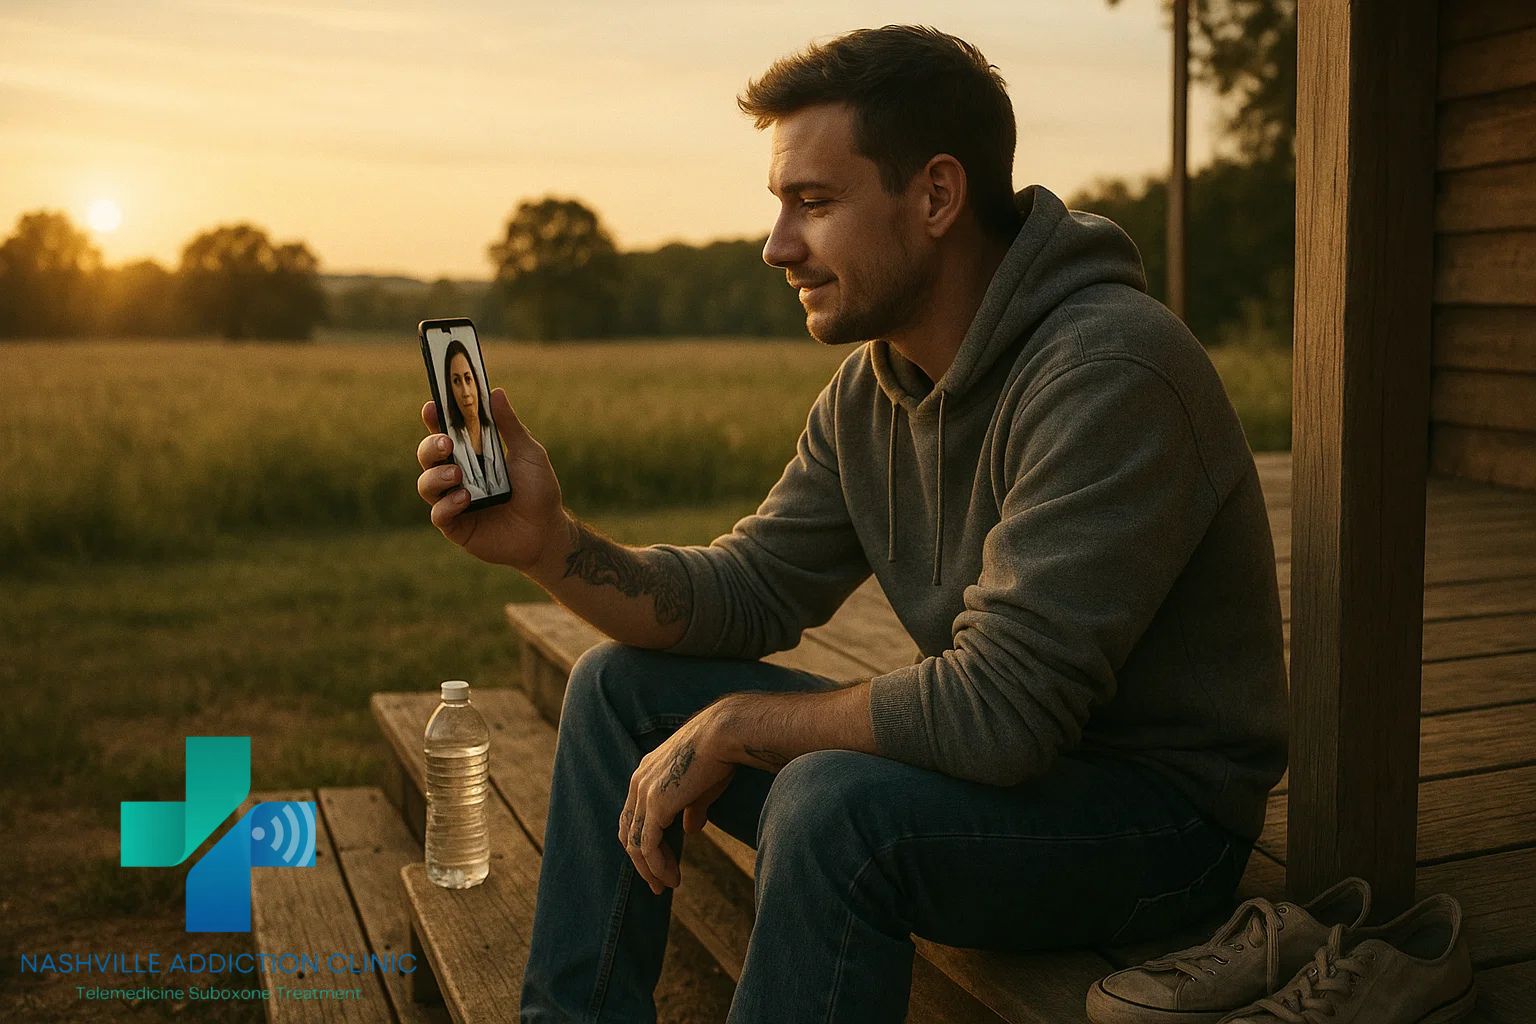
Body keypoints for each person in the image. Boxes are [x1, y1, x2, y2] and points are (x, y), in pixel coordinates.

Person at [413, 24, 1288, 1023]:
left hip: (1158, 825)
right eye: (780, 204)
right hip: (994, 777)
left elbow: (1003, 713)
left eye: (814, 202)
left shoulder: (1110, 370)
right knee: (620, 690)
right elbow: (747, 590)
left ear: (937, 195)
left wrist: (739, 723)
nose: (777, 244)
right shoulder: (874, 390)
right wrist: (550, 544)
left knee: (831, 805)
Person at [439, 337, 509, 499]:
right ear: (450, 390)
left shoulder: (496, 432)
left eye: (468, 378)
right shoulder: (450, 443)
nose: (465, 392)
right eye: (456, 381)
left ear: (477, 382)